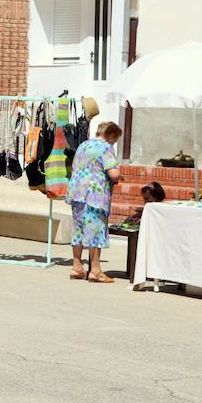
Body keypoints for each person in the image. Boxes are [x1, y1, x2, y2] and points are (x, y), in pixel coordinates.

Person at [65, 121, 123, 283]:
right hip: (94, 194)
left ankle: (77, 266)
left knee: (79, 229)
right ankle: (95, 270)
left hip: (77, 191)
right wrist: (119, 176)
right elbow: (113, 174)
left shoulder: (83, 145)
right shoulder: (105, 147)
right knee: (95, 229)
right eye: (115, 139)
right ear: (111, 135)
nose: (114, 143)